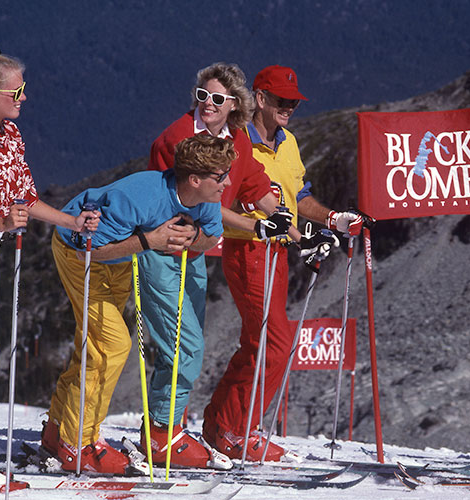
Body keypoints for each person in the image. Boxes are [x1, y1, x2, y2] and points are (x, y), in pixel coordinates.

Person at [0, 39, 99, 492]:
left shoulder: (10, 137)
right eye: (18, 90)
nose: (24, 96)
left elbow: (24, 196)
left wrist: (70, 220)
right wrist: (1, 221)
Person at [40, 135, 233, 474]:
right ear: (195, 180)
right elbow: (90, 249)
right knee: (111, 345)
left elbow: (210, 236)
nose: (227, 182)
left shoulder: (207, 198)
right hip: (81, 252)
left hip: (122, 258)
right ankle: (79, 444)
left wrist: (192, 238)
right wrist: (149, 240)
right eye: (221, 176)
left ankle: (58, 430)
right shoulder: (137, 197)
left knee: (94, 346)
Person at [137, 62, 296, 469]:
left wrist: (299, 231)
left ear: (234, 105)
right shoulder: (177, 138)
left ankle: (170, 429)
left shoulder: (236, 140)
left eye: (218, 99)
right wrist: (257, 227)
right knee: (183, 344)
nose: (208, 104)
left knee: (189, 343)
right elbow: (197, 200)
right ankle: (160, 434)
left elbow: (256, 187)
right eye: (202, 95)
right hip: (165, 247)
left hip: (199, 251)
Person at [201, 65, 362, 462]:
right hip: (248, 249)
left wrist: (332, 219)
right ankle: (237, 432)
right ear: (260, 99)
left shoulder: (287, 141)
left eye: (293, 101)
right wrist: (260, 227)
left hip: (278, 251)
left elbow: (297, 196)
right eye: (281, 100)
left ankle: (221, 424)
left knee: (259, 343)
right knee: (275, 343)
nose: (289, 107)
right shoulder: (239, 141)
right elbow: (223, 196)